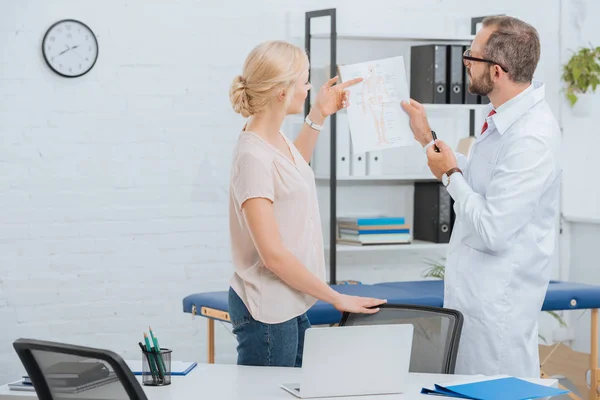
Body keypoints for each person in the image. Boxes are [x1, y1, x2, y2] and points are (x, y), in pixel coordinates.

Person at [401, 16, 561, 378]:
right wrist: (427, 138)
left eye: (470, 56)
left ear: (499, 71)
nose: (466, 64)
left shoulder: (531, 137)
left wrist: (449, 175)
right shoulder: (504, 118)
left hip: (497, 316)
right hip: (474, 302)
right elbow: (482, 183)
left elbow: (493, 229)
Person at [227, 40, 387, 368]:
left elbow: (293, 171)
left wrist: (319, 114)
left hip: (291, 300)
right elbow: (273, 256)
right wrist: (337, 298)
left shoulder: (273, 138)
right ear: (281, 91)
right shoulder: (252, 156)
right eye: (304, 79)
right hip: (267, 310)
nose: (309, 87)